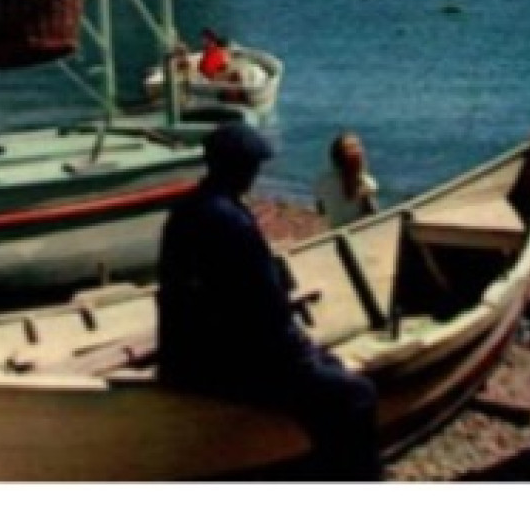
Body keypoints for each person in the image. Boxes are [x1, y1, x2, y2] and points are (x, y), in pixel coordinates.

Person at [158, 119, 380, 481]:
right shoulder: (232, 223)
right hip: (226, 364)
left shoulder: (185, 209)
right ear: (241, 169)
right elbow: (265, 314)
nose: (256, 175)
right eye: (254, 167)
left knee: (330, 369)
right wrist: (304, 354)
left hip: (186, 354)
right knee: (357, 394)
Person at [313, 132, 380, 230]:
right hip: (360, 237)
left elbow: (321, 210)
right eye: (359, 146)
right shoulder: (366, 183)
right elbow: (375, 219)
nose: (363, 149)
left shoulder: (321, 180)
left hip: (337, 236)